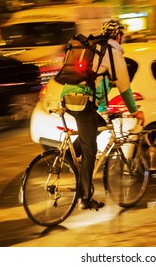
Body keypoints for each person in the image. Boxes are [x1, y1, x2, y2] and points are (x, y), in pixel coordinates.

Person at [60, 20, 145, 210]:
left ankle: (67, 158)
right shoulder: (113, 52)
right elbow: (124, 88)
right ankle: (85, 198)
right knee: (91, 150)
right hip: (82, 101)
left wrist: (101, 107)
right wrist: (135, 111)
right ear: (119, 36)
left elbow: (97, 82)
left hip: (67, 96)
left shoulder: (93, 47)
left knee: (96, 125)